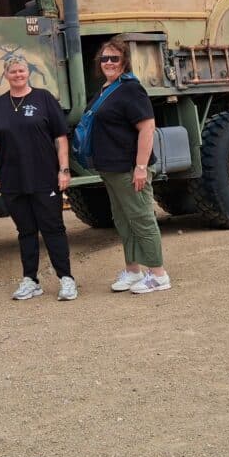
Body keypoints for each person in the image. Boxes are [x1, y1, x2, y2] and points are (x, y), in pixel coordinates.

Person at [0, 55, 76, 301]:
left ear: (28, 73)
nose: (18, 75)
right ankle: (30, 280)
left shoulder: (43, 98)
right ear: (6, 75)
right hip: (13, 179)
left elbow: (60, 137)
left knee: (53, 228)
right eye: (13, 71)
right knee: (25, 231)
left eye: (22, 71)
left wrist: (64, 169)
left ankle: (66, 279)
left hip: (45, 176)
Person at [89, 40, 170, 294]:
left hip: (129, 169)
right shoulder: (105, 89)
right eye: (105, 59)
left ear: (124, 62)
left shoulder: (130, 89)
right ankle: (133, 271)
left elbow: (147, 127)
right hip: (112, 170)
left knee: (142, 220)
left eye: (114, 59)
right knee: (124, 222)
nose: (109, 63)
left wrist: (141, 167)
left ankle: (158, 275)